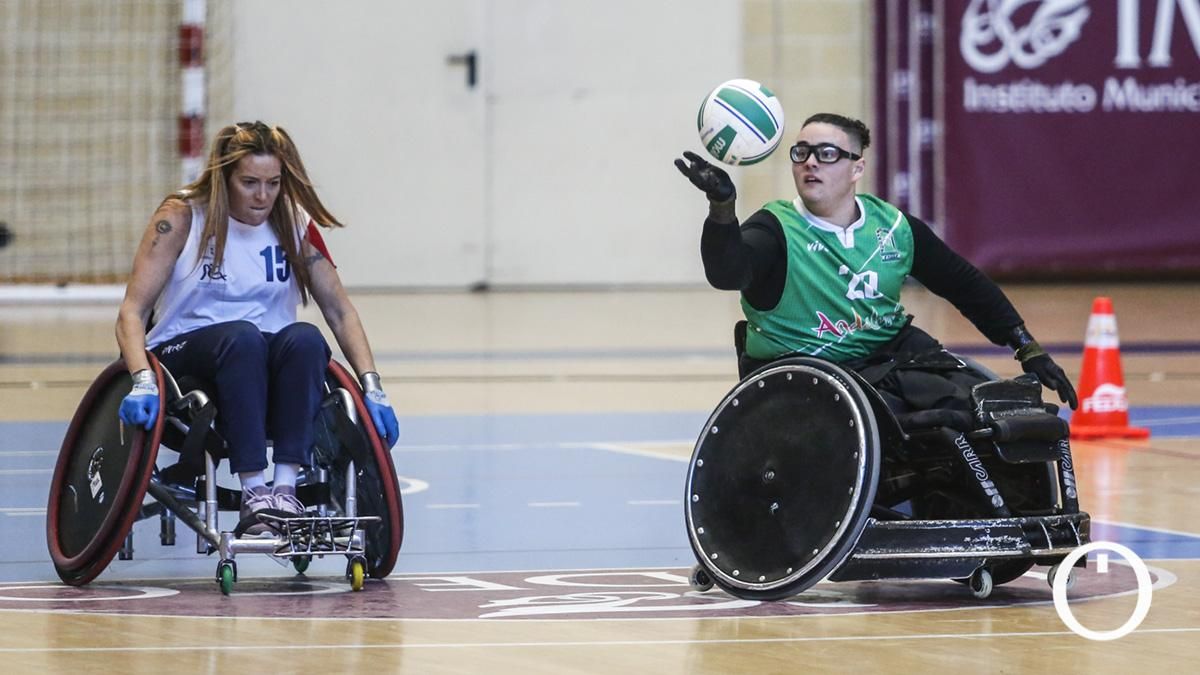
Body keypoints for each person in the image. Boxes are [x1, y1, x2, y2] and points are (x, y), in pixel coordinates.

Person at [674, 112, 1077, 424]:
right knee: (908, 420)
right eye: (802, 153)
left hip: (891, 358)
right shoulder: (775, 228)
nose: (811, 162)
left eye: (827, 154)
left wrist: (1027, 347)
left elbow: (964, 284)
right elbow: (727, 274)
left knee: (993, 404)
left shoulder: (893, 228)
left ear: (857, 168)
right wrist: (722, 208)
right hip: (810, 376)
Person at [114, 121, 400, 535]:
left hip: (264, 366)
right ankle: (254, 490)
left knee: (306, 339)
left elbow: (340, 311)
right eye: (249, 182)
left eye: (273, 183)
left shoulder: (294, 224)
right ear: (223, 177)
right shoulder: (180, 217)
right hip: (184, 362)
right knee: (242, 337)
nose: (263, 196)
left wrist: (372, 387)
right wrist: (141, 378)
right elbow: (131, 312)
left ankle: (283, 491)